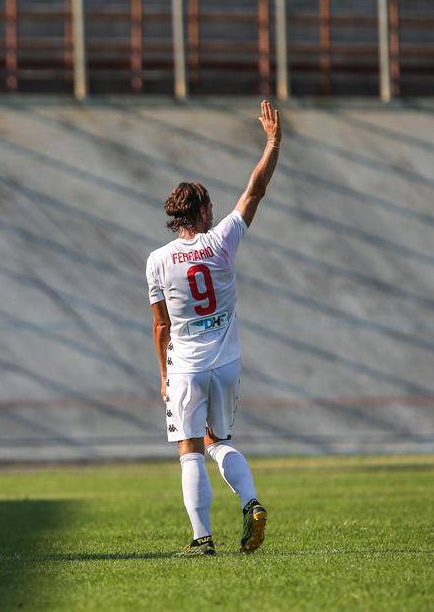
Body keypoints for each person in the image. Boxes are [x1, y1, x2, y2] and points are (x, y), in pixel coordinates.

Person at [145, 99, 280, 557]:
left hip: (184, 363)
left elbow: (161, 326)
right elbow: (255, 189)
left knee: (189, 449)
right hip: (226, 360)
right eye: (210, 206)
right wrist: (273, 141)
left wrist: (163, 374)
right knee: (219, 441)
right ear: (201, 213)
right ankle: (251, 502)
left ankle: (202, 538)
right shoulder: (222, 240)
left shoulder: (158, 260)